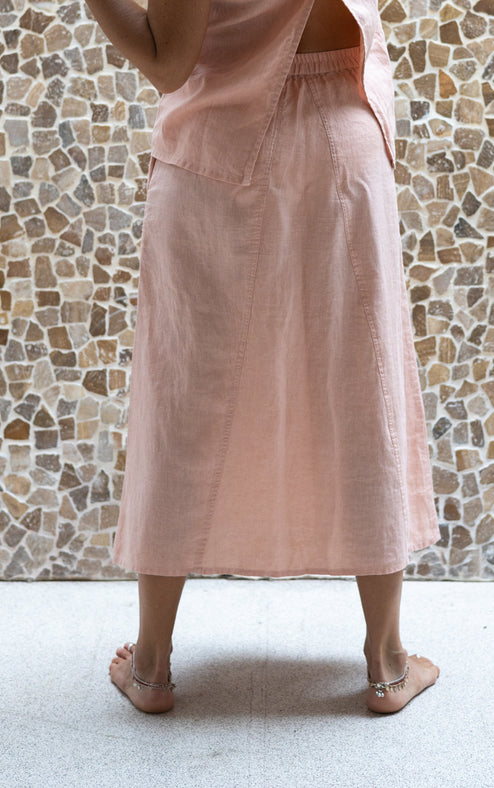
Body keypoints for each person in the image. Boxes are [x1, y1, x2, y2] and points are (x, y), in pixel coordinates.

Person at [85, 0, 441, 714]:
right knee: (360, 389)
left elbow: (168, 61)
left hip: (219, 148)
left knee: (183, 398)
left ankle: (151, 666)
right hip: (341, 137)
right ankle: (385, 662)